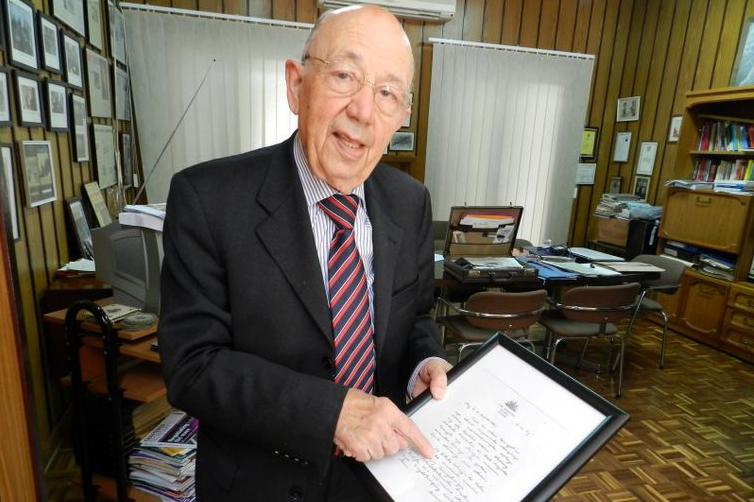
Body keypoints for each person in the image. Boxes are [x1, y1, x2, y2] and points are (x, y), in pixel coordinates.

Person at [158, 5, 452, 501]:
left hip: (380, 479)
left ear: (401, 117)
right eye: (344, 76)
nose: (363, 111)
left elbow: (416, 316)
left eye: (387, 92)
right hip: (258, 486)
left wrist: (424, 361)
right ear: (297, 86)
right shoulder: (207, 199)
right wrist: (331, 413)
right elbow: (192, 367)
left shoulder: (411, 201)